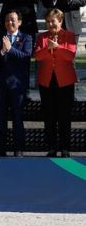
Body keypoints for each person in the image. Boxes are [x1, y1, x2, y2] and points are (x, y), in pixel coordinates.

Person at [33, 8, 78, 158]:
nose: (50, 24)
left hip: (65, 81)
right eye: (48, 21)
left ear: (60, 21)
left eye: (53, 21)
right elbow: (38, 56)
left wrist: (57, 48)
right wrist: (48, 48)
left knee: (64, 116)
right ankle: (51, 147)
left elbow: (70, 55)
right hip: (47, 81)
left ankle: (65, 148)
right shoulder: (42, 37)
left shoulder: (69, 36)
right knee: (49, 116)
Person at [0, 9, 33, 157]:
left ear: (19, 22)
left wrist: (10, 49)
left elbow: (26, 56)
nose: (10, 22)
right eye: (7, 19)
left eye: (13, 19)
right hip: (1, 85)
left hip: (17, 85)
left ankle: (18, 149)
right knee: (0, 118)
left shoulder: (26, 38)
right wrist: (2, 51)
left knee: (17, 118)